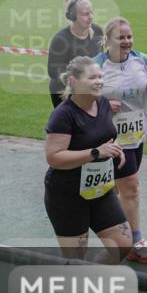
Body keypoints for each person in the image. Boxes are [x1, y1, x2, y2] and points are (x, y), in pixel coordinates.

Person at [44, 55, 132, 263]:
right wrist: (95, 152)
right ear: (74, 81)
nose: (99, 81)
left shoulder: (102, 103)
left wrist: (115, 147)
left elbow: (105, 135)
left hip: (100, 189)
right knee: (75, 258)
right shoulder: (63, 115)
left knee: (123, 245)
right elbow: (53, 157)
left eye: (100, 76)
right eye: (92, 77)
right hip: (68, 195)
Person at [94, 17, 147, 264]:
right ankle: (135, 242)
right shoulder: (97, 66)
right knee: (131, 186)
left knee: (115, 188)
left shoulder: (141, 60)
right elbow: (75, 96)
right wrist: (103, 104)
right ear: (108, 40)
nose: (126, 41)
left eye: (129, 36)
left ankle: (115, 231)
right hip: (109, 137)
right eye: (121, 37)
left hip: (136, 135)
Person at [47, 0, 103, 107]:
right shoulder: (60, 40)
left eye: (91, 12)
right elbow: (53, 71)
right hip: (65, 93)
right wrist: (75, 83)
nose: (91, 17)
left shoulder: (97, 31)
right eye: (86, 14)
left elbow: (101, 60)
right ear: (72, 16)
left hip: (92, 89)